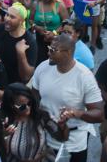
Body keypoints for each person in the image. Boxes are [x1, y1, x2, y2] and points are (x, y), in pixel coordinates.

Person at [32, 34, 103, 162]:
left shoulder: (84, 76)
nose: (48, 53)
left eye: (53, 50)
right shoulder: (43, 67)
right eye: (49, 48)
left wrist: (76, 113)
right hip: (46, 137)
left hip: (74, 144)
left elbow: (99, 114)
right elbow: (34, 98)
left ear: (68, 52)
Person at [0, 3, 37, 84]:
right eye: (7, 14)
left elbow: (26, 77)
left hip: (13, 86)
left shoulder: (30, 41)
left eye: (12, 17)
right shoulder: (0, 29)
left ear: (21, 21)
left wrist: (21, 54)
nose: (7, 19)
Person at [1, 83, 47, 162]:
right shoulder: (5, 122)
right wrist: (4, 136)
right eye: (22, 106)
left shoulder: (41, 117)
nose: (28, 108)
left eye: (29, 103)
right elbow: (2, 153)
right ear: (11, 105)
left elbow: (53, 143)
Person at [30, 0, 68, 64]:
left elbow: (66, 23)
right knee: (40, 61)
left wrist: (54, 32)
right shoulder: (35, 4)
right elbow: (30, 20)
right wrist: (37, 27)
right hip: (40, 38)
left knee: (54, 62)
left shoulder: (60, 5)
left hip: (56, 39)